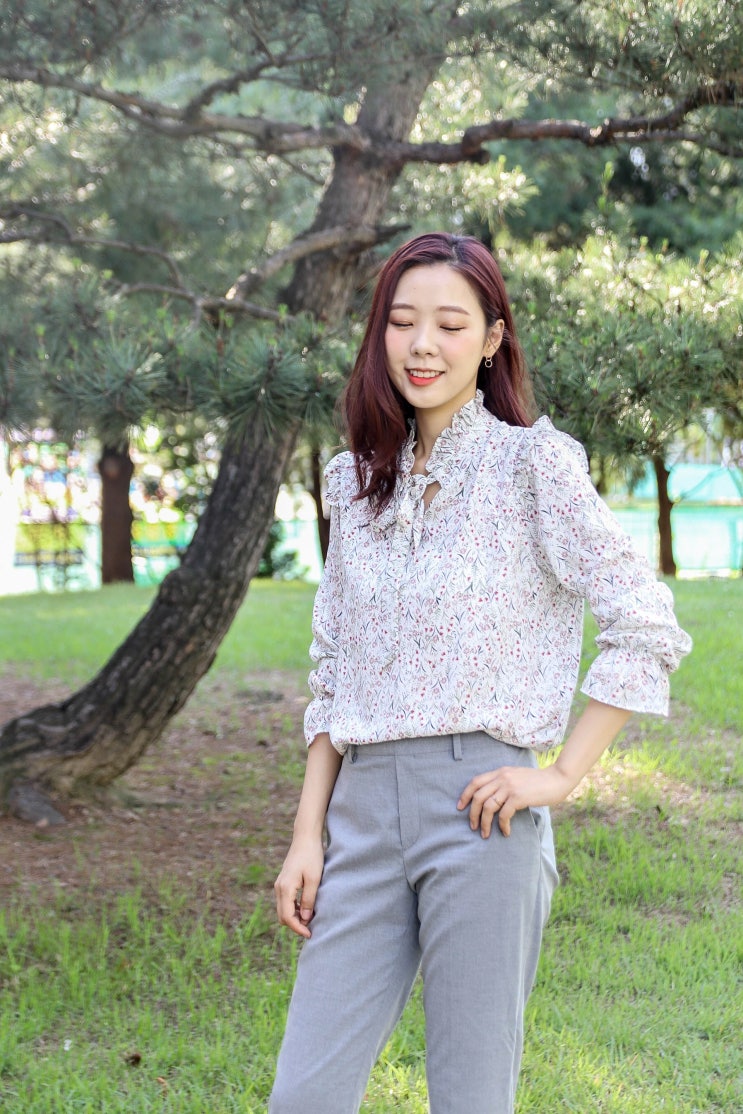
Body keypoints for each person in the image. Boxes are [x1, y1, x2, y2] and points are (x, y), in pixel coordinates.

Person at [270, 232, 691, 1114]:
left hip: (480, 811)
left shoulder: (532, 466)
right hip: (358, 812)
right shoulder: (352, 483)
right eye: (402, 322)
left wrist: (561, 776)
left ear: (492, 339)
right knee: (304, 1096)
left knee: (469, 1096)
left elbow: (643, 619)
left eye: (450, 325)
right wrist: (308, 836)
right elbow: (334, 671)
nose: (421, 345)